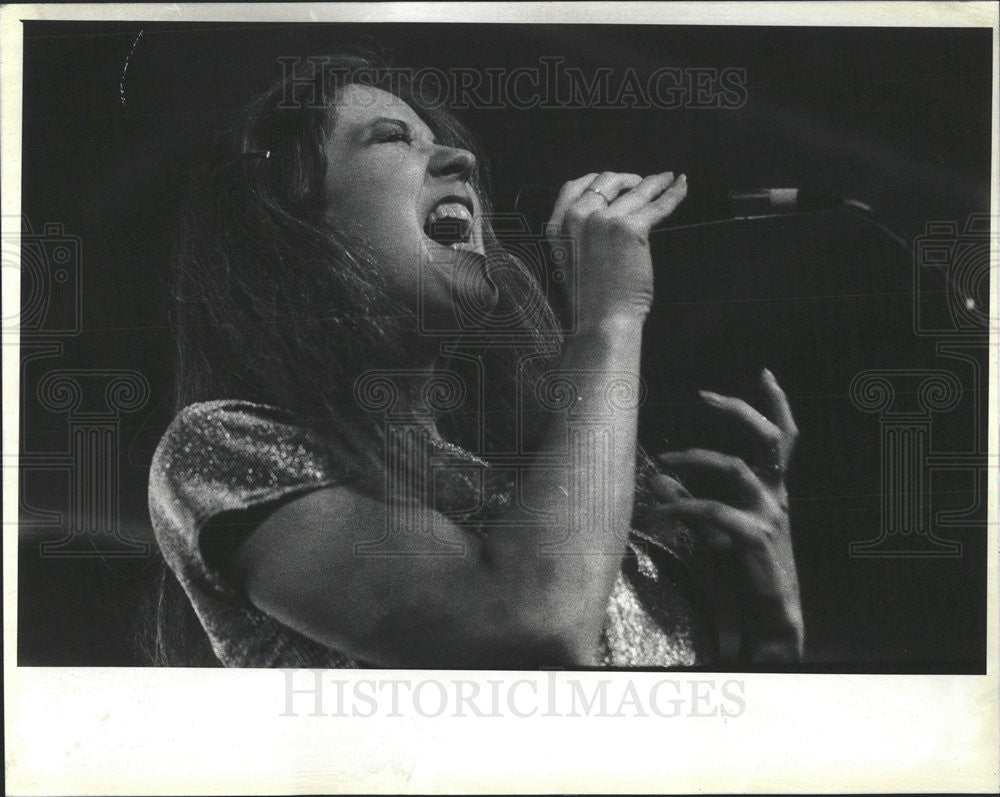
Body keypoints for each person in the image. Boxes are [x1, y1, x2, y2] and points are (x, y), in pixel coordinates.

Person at [148, 49, 803, 668]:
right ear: (291, 230)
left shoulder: (542, 483)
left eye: (440, 140)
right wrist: (610, 317)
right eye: (392, 137)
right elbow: (530, 625)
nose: (461, 157)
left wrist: (772, 635)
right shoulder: (228, 444)